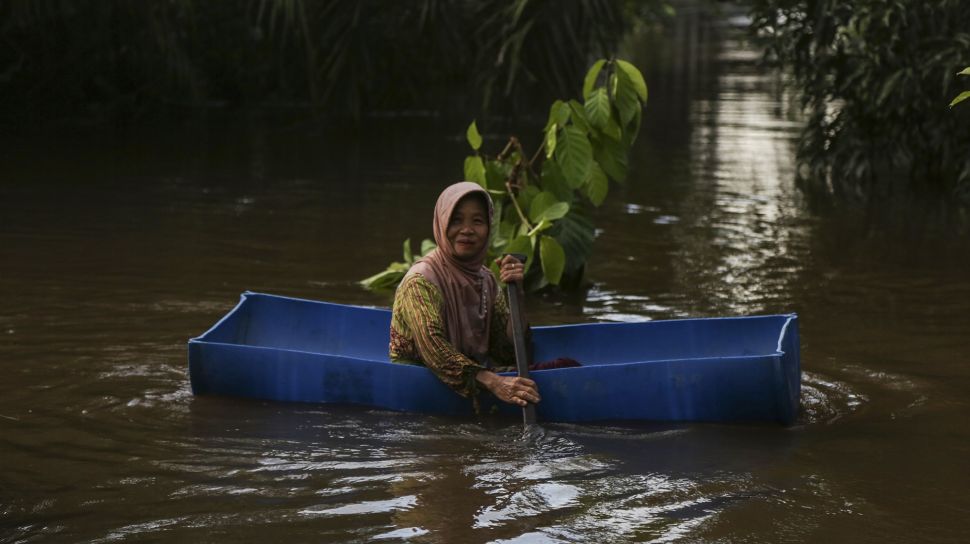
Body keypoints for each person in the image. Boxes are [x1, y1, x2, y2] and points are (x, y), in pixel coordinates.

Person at [389, 181, 540, 410]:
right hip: (420, 383)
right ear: (442, 223)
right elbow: (435, 350)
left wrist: (516, 293)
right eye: (456, 220)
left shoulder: (487, 280)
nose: (467, 230)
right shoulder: (420, 281)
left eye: (477, 221)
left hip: (474, 373)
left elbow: (506, 351)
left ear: (489, 227)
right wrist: (494, 383)